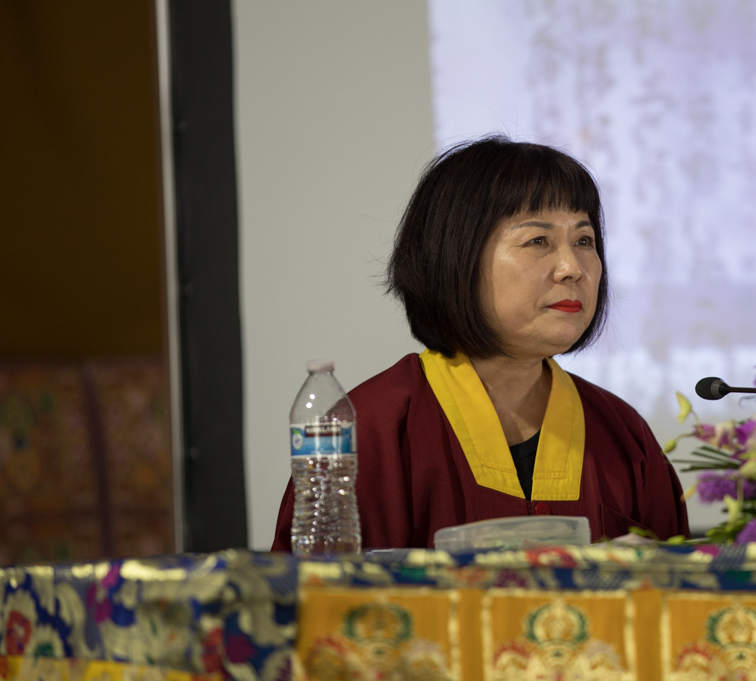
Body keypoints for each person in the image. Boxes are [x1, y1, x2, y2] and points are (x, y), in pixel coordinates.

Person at [271, 137, 689, 550]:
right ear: (458, 257)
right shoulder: (372, 429)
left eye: (584, 241)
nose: (573, 268)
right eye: (538, 241)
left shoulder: (622, 432)